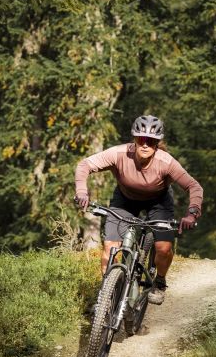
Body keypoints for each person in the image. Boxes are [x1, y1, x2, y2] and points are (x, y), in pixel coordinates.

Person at [74, 115, 203, 305]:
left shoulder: (166, 162)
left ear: (157, 144)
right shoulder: (119, 154)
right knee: (110, 247)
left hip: (159, 202)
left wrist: (192, 212)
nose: (145, 145)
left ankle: (159, 282)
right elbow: (85, 164)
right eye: (141, 139)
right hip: (125, 200)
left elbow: (194, 186)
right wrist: (82, 191)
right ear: (134, 139)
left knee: (163, 248)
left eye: (151, 142)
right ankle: (106, 295)